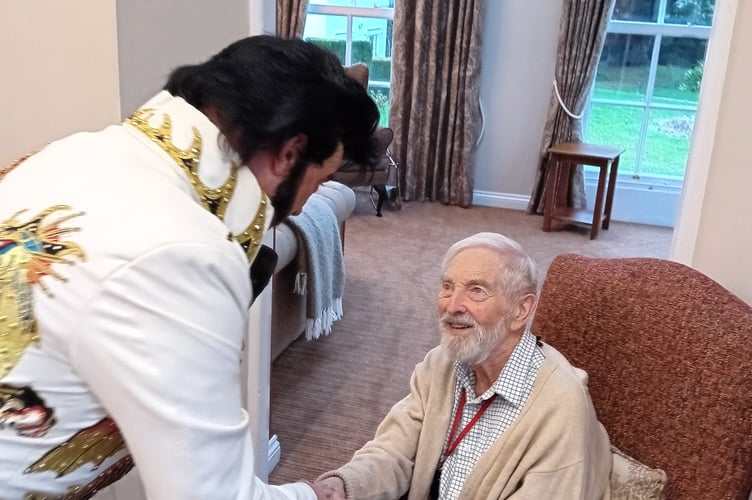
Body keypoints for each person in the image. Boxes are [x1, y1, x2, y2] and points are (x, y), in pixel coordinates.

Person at [0, 35, 378, 499]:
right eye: (317, 182)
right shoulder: (183, 252)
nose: (301, 209)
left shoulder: (66, 155)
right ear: (288, 154)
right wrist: (316, 496)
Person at [316, 232, 612, 499]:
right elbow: (394, 449)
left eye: (477, 290)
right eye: (447, 287)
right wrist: (345, 485)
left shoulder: (560, 404)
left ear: (520, 310)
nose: (453, 305)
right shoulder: (440, 364)